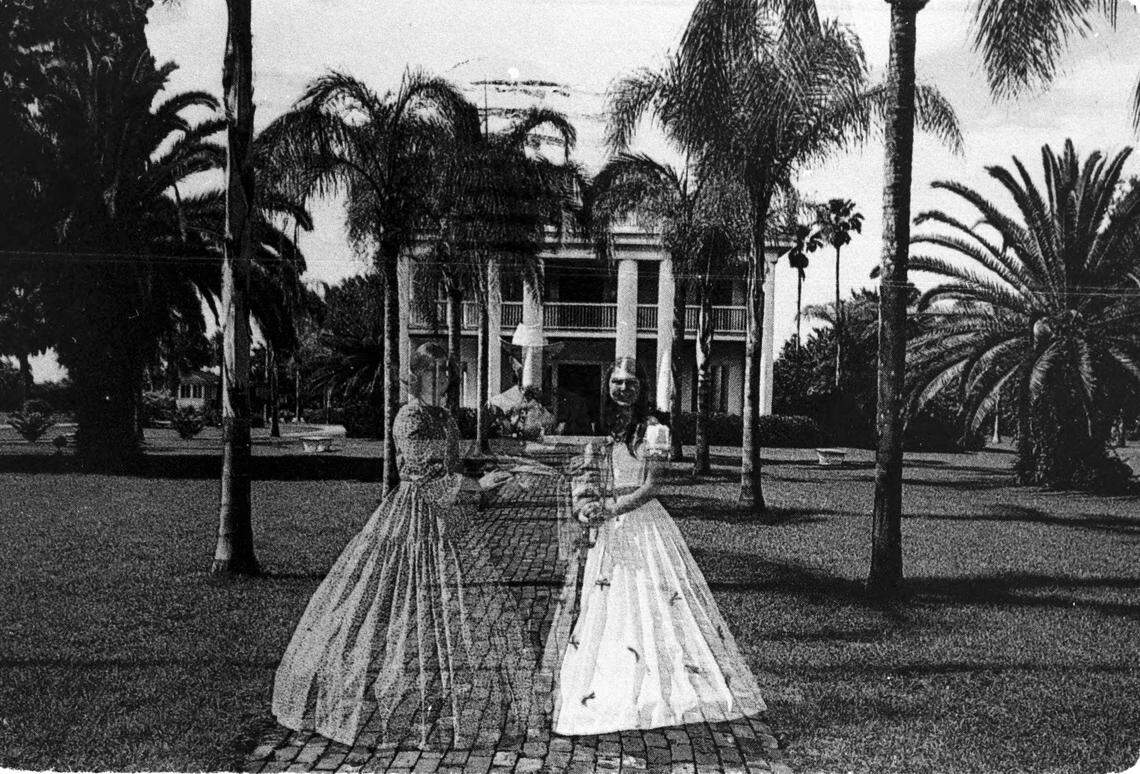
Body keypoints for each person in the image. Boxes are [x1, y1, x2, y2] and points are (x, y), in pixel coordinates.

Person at [272, 342, 529, 751]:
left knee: (448, 607)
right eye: (438, 372)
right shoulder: (408, 417)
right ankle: (392, 694)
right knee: (391, 602)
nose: (446, 380)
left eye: (448, 373)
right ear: (421, 374)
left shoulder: (444, 417)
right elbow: (425, 475)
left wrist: (489, 479)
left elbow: (452, 469)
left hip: (447, 519)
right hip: (412, 511)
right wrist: (475, 486)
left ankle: (441, 695)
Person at [549, 356, 767, 735]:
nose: (623, 389)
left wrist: (611, 507)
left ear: (642, 388)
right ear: (608, 385)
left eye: (630, 382)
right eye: (617, 382)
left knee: (649, 602)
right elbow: (584, 474)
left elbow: (652, 487)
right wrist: (584, 507)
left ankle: (657, 681)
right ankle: (610, 677)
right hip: (606, 527)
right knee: (609, 603)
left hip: (640, 521)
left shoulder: (654, 429)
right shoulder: (599, 428)